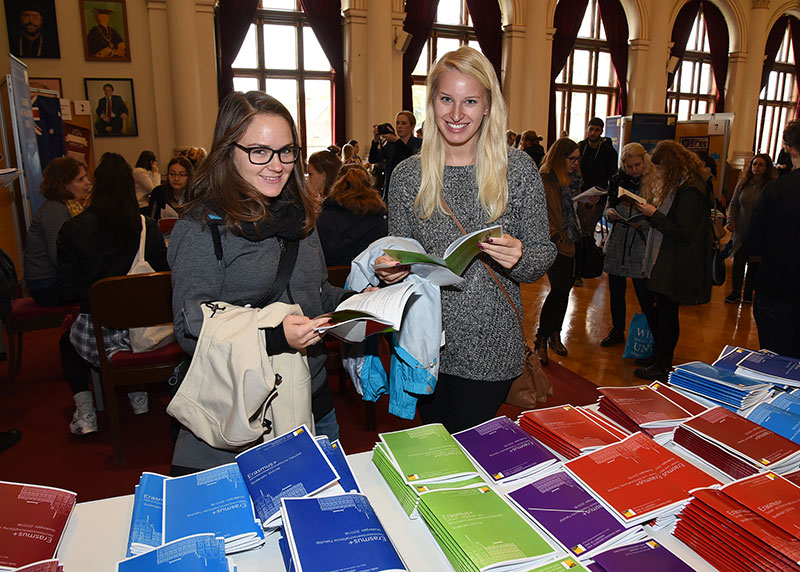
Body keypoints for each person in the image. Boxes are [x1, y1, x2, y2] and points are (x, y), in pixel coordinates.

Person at [168, 91, 353, 474]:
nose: (276, 165)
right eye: (259, 151)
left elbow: (317, 296)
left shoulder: (302, 216)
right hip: (241, 408)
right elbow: (191, 329)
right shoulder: (203, 227)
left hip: (311, 397)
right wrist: (275, 336)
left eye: (286, 151)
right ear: (227, 150)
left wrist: (361, 301)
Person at [375, 46, 556, 433]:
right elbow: (400, 252)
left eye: (470, 101)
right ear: (432, 102)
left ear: (488, 105)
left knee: (463, 451)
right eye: (446, 99)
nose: (456, 115)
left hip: (490, 348)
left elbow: (542, 255)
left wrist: (520, 255)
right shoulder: (409, 176)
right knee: (434, 449)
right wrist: (389, 271)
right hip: (423, 346)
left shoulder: (516, 169)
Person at [57, 153, 168, 435]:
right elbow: (165, 278)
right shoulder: (147, 227)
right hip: (144, 333)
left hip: (98, 332)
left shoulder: (72, 230)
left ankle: (86, 414)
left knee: (66, 342)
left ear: (97, 186)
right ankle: (138, 394)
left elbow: (66, 290)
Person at [633, 141, 713, 380]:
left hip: (680, 261)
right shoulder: (683, 185)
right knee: (662, 311)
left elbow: (683, 231)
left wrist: (653, 215)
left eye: (660, 168)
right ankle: (658, 356)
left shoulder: (690, 190)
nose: (658, 173)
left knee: (668, 313)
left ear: (671, 166)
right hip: (671, 258)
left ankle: (663, 364)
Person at [745, 120, 800, 358]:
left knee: (775, 366)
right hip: (782, 289)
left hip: (779, 290)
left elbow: (752, 243)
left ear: (789, 148)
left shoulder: (776, 190)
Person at [599, 143, 654, 347]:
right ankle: (617, 330)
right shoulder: (616, 181)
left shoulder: (653, 183)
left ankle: (650, 335)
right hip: (618, 242)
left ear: (644, 161)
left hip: (641, 244)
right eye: (629, 166)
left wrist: (645, 221)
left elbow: (659, 214)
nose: (633, 170)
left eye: (637, 165)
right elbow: (607, 208)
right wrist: (610, 214)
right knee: (616, 292)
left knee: (644, 293)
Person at [535, 138, 583, 364]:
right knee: (558, 290)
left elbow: (571, 210)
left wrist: (587, 202)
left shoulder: (572, 179)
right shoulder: (547, 177)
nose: (575, 163)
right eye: (571, 159)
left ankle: (556, 334)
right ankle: (541, 339)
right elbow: (544, 213)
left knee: (565, 291)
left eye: (577, 159)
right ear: (560, 157)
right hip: (556, 241)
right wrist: (557, 238)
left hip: (571, 240)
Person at [24, 157, 92, 306]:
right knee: (105, 291)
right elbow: (58, 257)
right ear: (64, 185)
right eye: (81, 179)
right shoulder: (55, 210)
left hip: (54, 281)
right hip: (46, 285)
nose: (88, 182)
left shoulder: (67, 206)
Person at [725, 154, 775, 304]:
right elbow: (734, 204)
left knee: (754, 263)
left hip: (759, 230)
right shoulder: (743, 183)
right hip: (741, 228)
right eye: (754, 164)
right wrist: (730, 221)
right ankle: (735, 292)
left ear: (767, 168)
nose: (756, 167)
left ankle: (748, 293)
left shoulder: (770, 186)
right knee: (738, 261)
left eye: (760, 165)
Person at [317, 164, 388, 266]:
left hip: (331, 277)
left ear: (337, 183)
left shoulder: (324, 218)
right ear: (370, 185)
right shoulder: (379, 220)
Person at [576, 117, 618, 285]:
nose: (592, 133)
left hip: (598, 199)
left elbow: (612, 176)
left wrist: (601, 194)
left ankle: (585, 268)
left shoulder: (609, 151)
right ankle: (579, 269)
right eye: (590, 129)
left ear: (601, 131)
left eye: (596, 130)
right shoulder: (581, 147)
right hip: (580, 197)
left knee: (587, 232)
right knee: (579, 233)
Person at [368, 111, 422, 202]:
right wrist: (375, 141)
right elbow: (373, 159)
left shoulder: (418, 143)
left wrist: (397, 141)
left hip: (412, 190)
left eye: (403, 123)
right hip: (391, 189)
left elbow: (411, 157)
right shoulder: (391, 144)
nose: (399, 126)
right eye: (397, 123)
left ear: (412, 126)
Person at [149, 156, 193, 220]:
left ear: (189, 176)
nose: (176, 179)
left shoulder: (195, 194)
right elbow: (151, 217)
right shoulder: (159, 192)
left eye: (182, 175)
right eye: (172, 174)